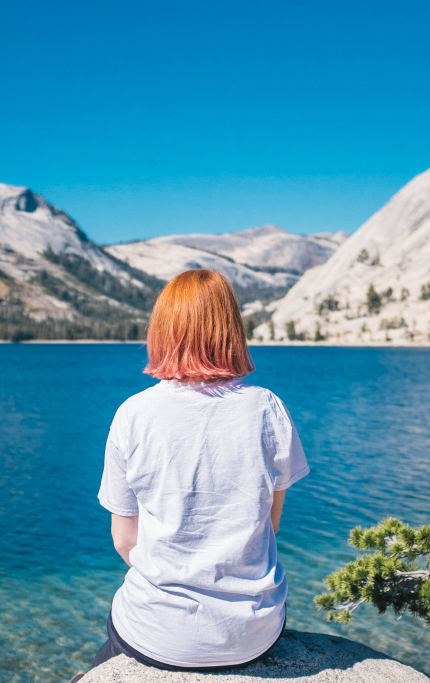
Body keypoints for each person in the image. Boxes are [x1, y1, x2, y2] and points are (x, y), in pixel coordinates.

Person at [86, 268, 309, 675]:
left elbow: (124, 540)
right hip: (254, 632)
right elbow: (270, 525)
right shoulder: (268, 408)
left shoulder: (133, 415)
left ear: (163, 330)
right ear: (230, 328)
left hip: (156, 631)